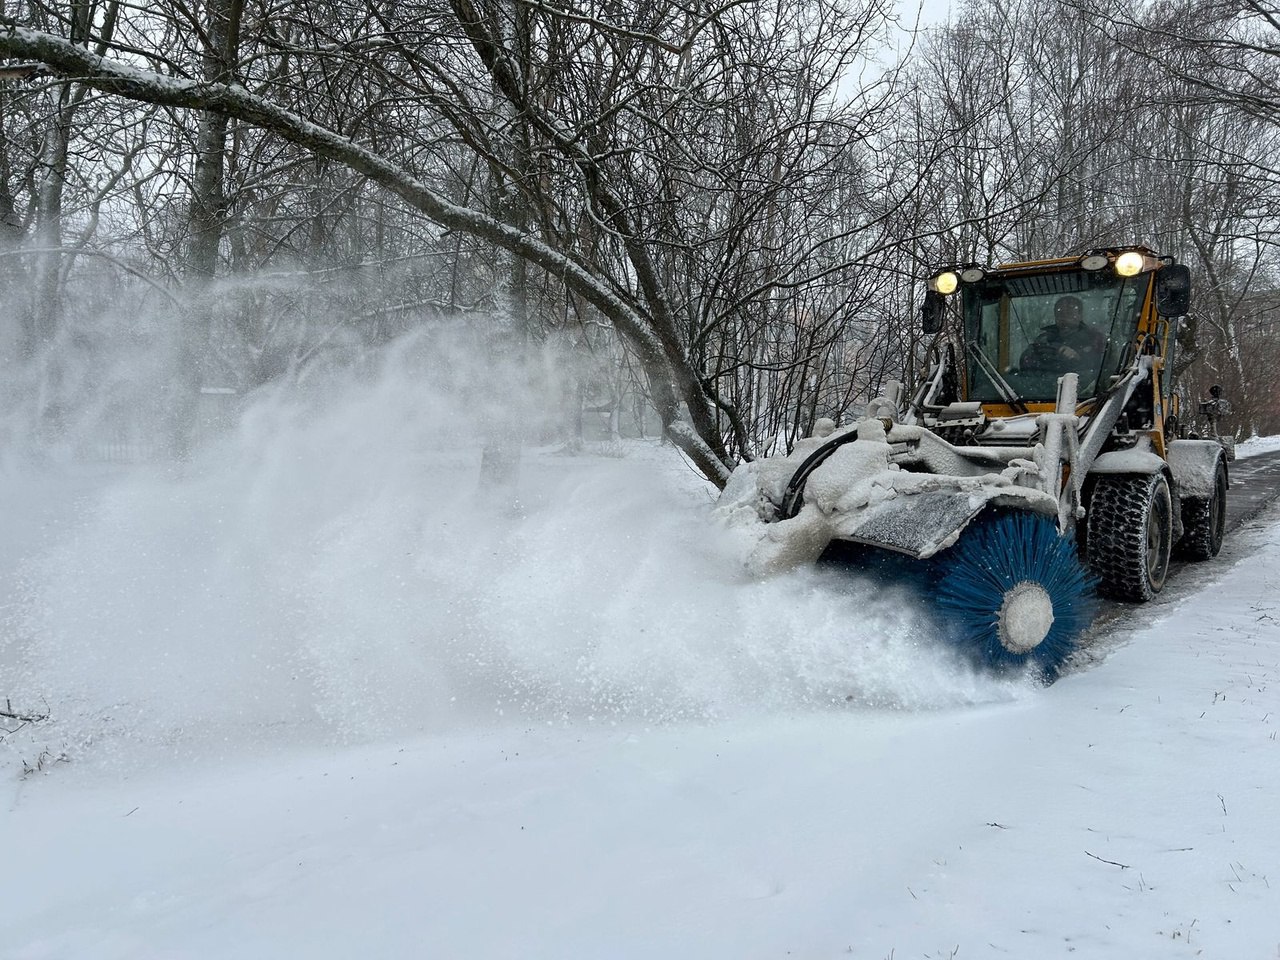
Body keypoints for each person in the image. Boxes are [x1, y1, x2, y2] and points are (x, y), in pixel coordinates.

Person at [1020, 295, 1106, 373]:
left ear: (1080, 315)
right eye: (1060, 314)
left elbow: (1100, 367)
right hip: (1043, 384)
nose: (1064, 318)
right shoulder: (1044, 338)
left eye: (1069, 313)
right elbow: (1025, 361)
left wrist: (1078, 357)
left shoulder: (1094, 338)